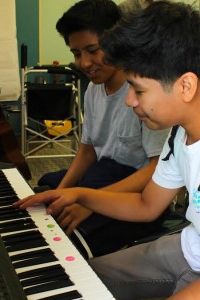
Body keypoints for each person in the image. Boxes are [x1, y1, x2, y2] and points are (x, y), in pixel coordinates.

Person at [15, 1, 200, 300]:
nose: (129, 101)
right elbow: (146, 205)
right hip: (197, 248)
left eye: (138, 91)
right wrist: (79, 194)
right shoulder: (183, 132)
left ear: (185, 86)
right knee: (78, 282)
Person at [37, 0, 170, 257]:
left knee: (70, 233)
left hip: (140, 191)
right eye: (76, 53)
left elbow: (158, 169)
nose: (85, 63)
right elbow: (87, 151)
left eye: (93, 50)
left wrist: (89, 202)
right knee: (47, 189)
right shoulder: (93, 90)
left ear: (116, 43)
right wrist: (63, 192)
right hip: (103, 175)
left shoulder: (144, 92)